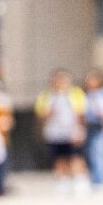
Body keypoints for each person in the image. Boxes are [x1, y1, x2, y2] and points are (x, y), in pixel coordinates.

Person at [34, 69, 89, 197]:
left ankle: (80, 181)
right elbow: (41, 114)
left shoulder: (75, 93)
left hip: (72, 131)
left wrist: (81, 130)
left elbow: (82, 113)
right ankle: (64, 182)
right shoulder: (47, 95)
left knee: (75, 157)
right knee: (59, 158)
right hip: (55, 132)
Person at [82, 69, 103, 190]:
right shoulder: (86, 95)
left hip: (102, 128)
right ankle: (95, 179)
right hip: (90, 127)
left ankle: (102, 180)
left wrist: (99, 114)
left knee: (101, 153)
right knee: (91, 154)